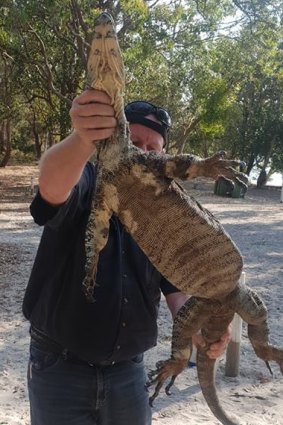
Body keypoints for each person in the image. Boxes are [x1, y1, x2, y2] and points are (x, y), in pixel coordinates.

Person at [23, 89, 231, 425]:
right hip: (59, 371)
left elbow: (174, 286)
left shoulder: (165, 216)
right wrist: (82, 137)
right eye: (134, 142)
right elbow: (50, 190)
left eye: (153, 149)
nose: (143, 154)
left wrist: (199, 327)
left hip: (129, 374)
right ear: (114, 141)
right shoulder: (86, 178)